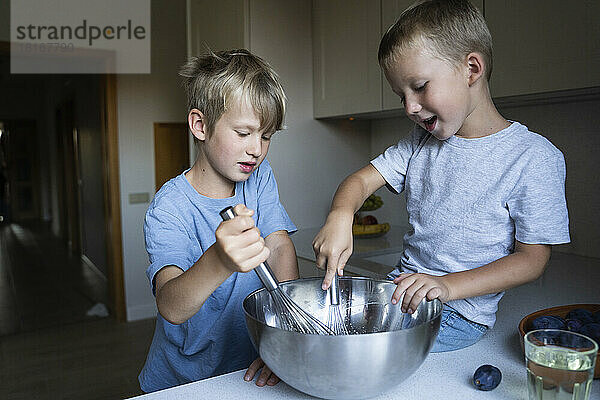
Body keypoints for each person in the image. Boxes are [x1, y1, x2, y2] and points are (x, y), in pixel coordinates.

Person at [312, 0, 570, 352]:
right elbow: (359, 182)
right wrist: (341, 215)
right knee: (317, 325)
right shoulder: (420, 142)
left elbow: (531, 261)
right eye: (400, 95)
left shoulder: (533, 157)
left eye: (419, 86)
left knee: (338, 350)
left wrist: (446, 286)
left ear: (472, 69)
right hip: (401, 292)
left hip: (457, 313)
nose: (409, 107)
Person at [139, 49, 298, 392]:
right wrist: (220, 260)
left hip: (248, 368)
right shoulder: (169, 207)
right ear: (200, 125)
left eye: (266, 136)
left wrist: (285, 338)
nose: (257, 148)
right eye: (243, 133)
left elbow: (279, 244)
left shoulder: (260, 177)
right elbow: (171, 305)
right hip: (184, 380)